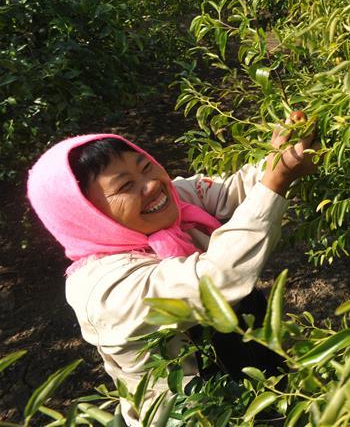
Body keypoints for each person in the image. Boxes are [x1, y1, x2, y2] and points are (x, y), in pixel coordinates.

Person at [26, 116, 318, 425]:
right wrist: (276, 180)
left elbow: (226, 192)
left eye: (146, 166)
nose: (151, 186)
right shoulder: (104, 289)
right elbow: (212, 282)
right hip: (193, 410)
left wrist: (278, 157)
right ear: (85, 217)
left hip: (245, 361)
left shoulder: (171, 201)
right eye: (125, 186)